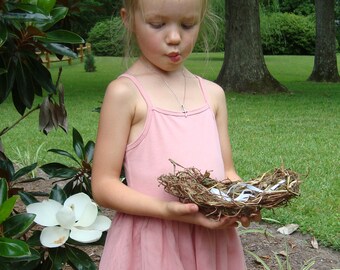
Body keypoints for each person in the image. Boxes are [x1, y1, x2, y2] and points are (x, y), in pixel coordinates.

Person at [92, 0, 260, 269]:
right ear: (129, 19)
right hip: (152, 245)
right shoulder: (125, 94)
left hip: (212, 242)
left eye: (188, 24)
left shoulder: (213, 95)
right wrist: (167, 210)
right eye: (158, 24)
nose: (174, 37)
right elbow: (103, 185)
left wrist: (244, 199)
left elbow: (227, 171)